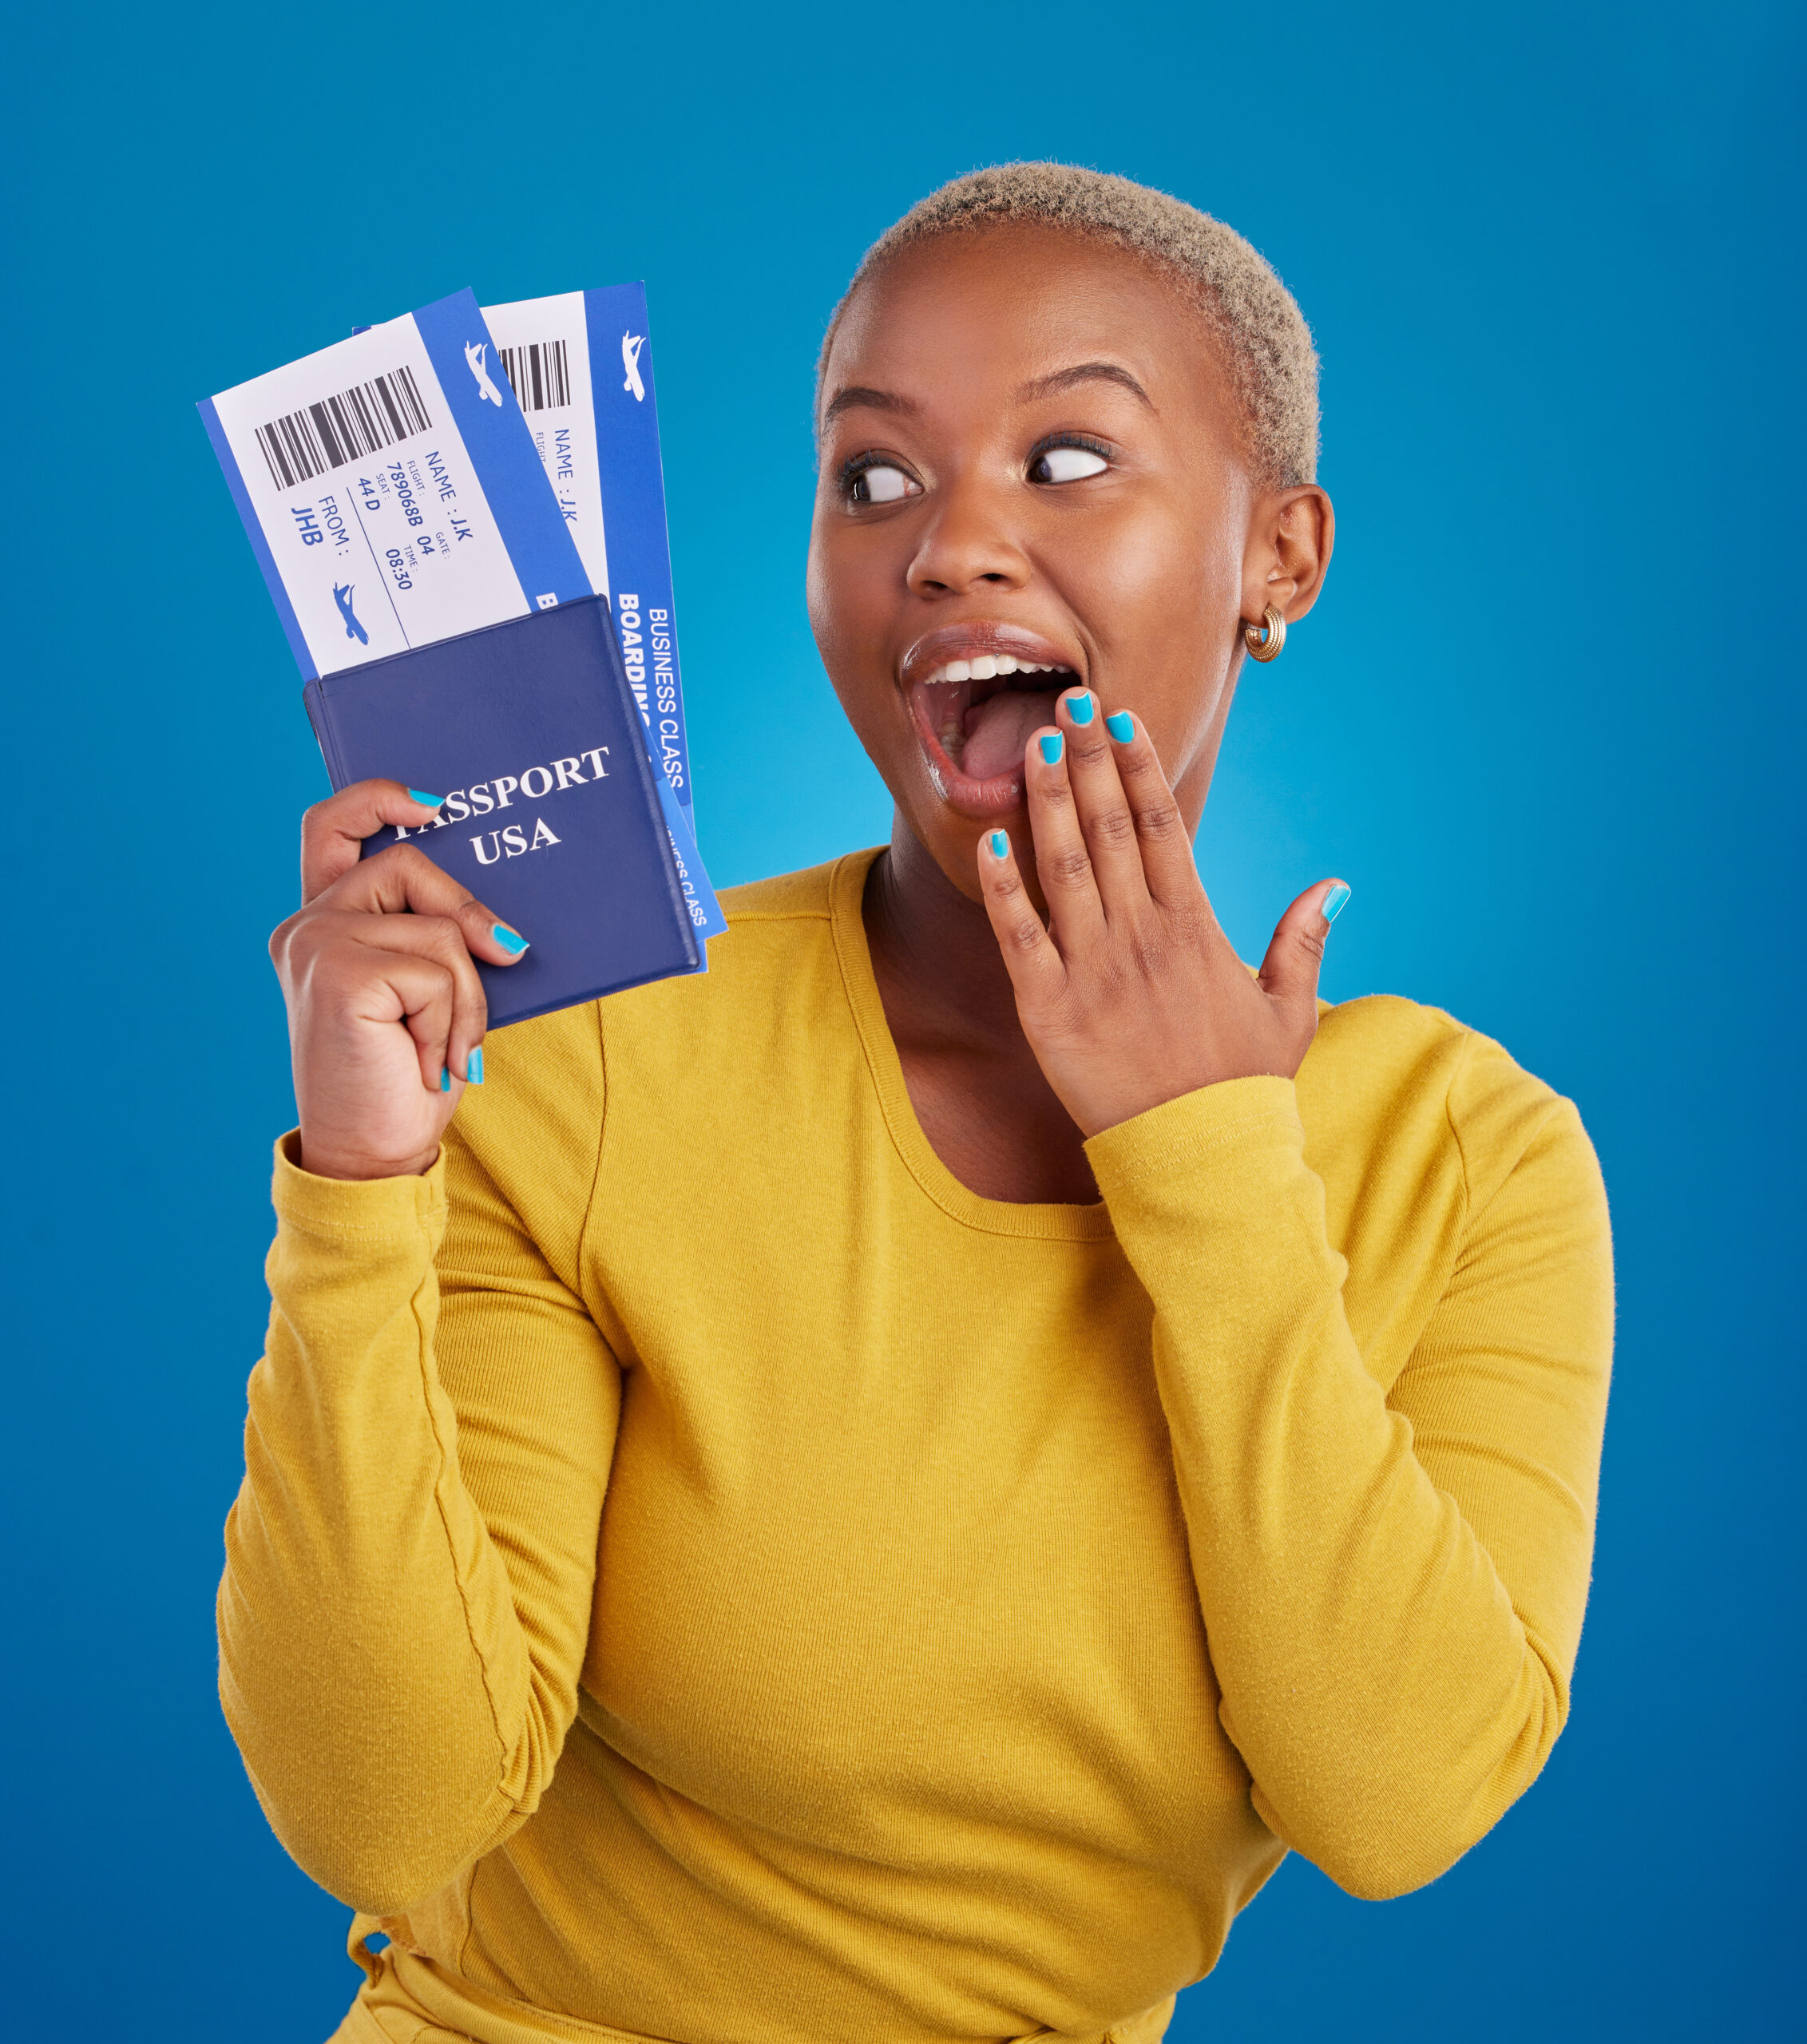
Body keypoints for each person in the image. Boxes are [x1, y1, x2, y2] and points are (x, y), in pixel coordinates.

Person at [224, 164, 1615, 2044]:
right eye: (875, 477)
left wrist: (1203, 1158)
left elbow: (1400, 1800)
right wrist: (361, 1190)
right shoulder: (608, 1044)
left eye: (1068, 459)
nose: (950, 546)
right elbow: (386, 1813)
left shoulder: (1467, 1157)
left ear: (1277, 558)